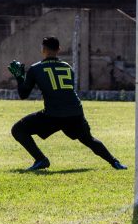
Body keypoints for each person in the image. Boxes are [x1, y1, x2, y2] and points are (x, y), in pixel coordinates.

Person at [8, 36, 128, 171]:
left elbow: (23, 94)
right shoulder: (67, 67)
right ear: (59, 49)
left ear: (43, 49)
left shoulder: (36, 68)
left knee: (18, 130)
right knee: (88, 139)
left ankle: (41, 159)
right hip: (75, 112)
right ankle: (115, 162)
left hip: (53, 114)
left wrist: (19, 77)